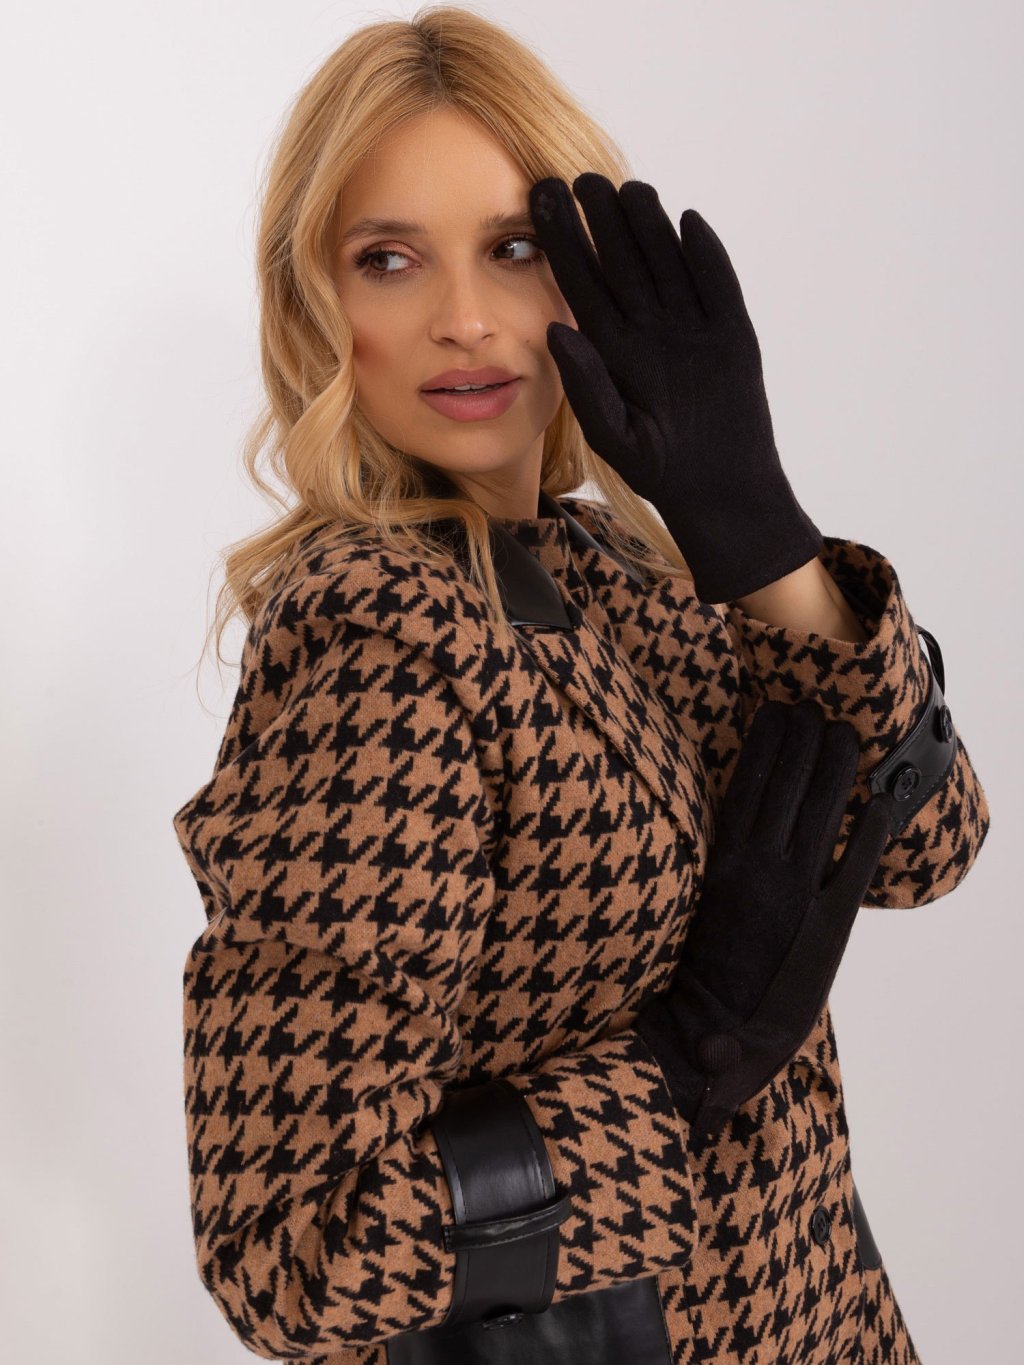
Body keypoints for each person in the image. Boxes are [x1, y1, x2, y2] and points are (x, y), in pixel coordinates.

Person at [171, 8, 990, 1364]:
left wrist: (758, 532)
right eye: (389, 260)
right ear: (315, 304)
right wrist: (682, 1062)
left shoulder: (620, 567)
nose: (465, 320)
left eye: (514, 248)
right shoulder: (381, 651)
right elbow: (294, 1249)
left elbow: (924, 846)